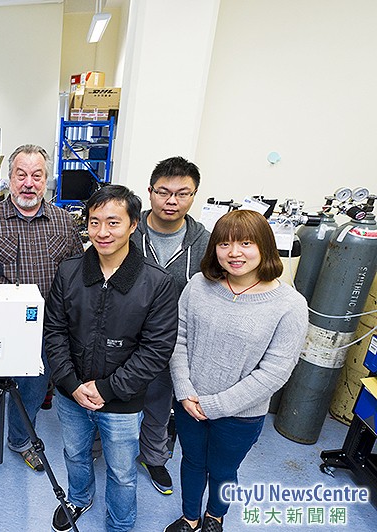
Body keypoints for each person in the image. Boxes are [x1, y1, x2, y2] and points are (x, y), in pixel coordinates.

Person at [45, 185, 179, 532]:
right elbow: (54, 333)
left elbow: (156, 350)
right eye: (94, 222)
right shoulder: (69, 272)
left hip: (123, 400)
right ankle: (78, 497)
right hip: (70, 393)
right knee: (75, 454)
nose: (102, 232)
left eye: (113, 222)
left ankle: (120, 523)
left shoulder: (157, 282)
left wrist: (106, 389)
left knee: (121, 471)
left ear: (134, 225)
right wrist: (72, 385)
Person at [165, 210, 308, 532]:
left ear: (265, 247)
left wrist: (215, 405)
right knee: (191, 462)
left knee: (222, 469)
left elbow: (275, 371)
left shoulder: (289, 304)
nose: (234, 252)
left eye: (246, 243)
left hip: (241, 414)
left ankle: (215, 517)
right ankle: (190, 517)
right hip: (190, 403)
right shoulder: (198, 286)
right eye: (224, 243)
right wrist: (186, 392)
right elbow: (179, 340)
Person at [0, 144, 83, 487]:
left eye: (37, 175)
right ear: (9, 178)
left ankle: (21, 441)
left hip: (44, 329)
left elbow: (78, 277)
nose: (29, 183)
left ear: (47, 180)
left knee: (31, 389)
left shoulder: (64, 222)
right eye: (21, 174)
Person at [130, 156, 210, 495]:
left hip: (170, 341)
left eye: (182, 193)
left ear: (194, 196)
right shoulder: (129, 231)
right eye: (163, 192)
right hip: (124, 335)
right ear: (150, 192)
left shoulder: (204, 242)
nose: (172, 201)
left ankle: (153, 458)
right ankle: (97, 448)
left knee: (159, 405)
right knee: (110, 398)